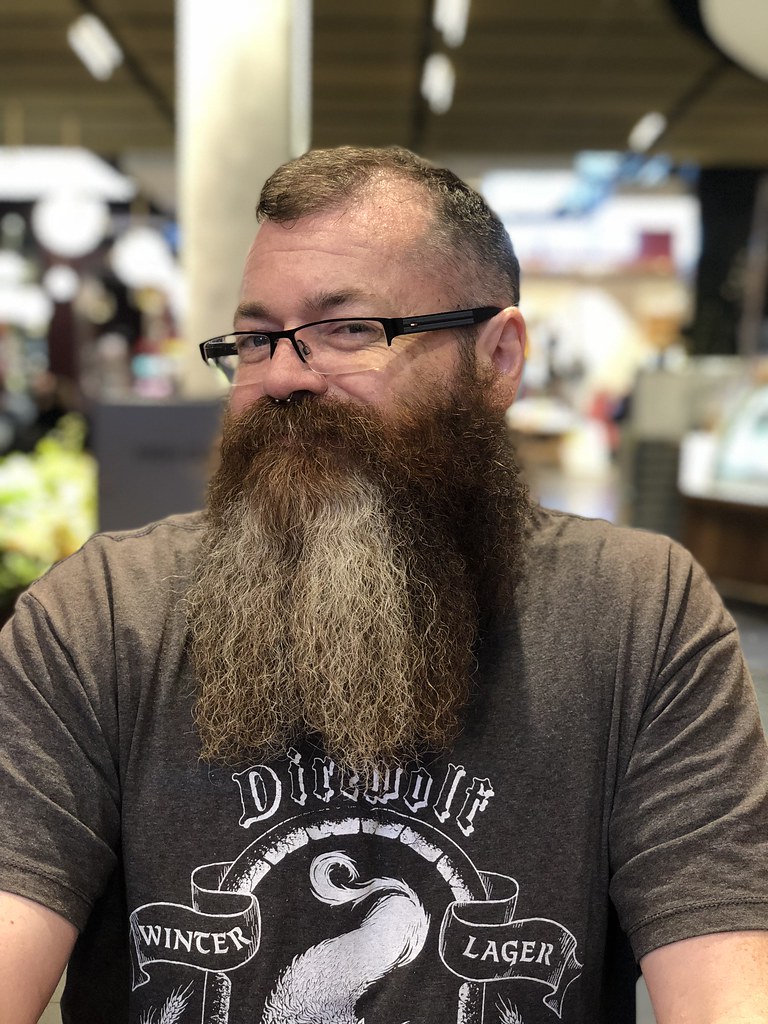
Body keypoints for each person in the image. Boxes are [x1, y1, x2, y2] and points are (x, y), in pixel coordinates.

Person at [1, 146, 767, 1024]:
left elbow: (727, 991)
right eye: (255, 339)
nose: (282, 376)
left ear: (498, 358)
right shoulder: (102, 617)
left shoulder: (637, 615)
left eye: (350, 330)